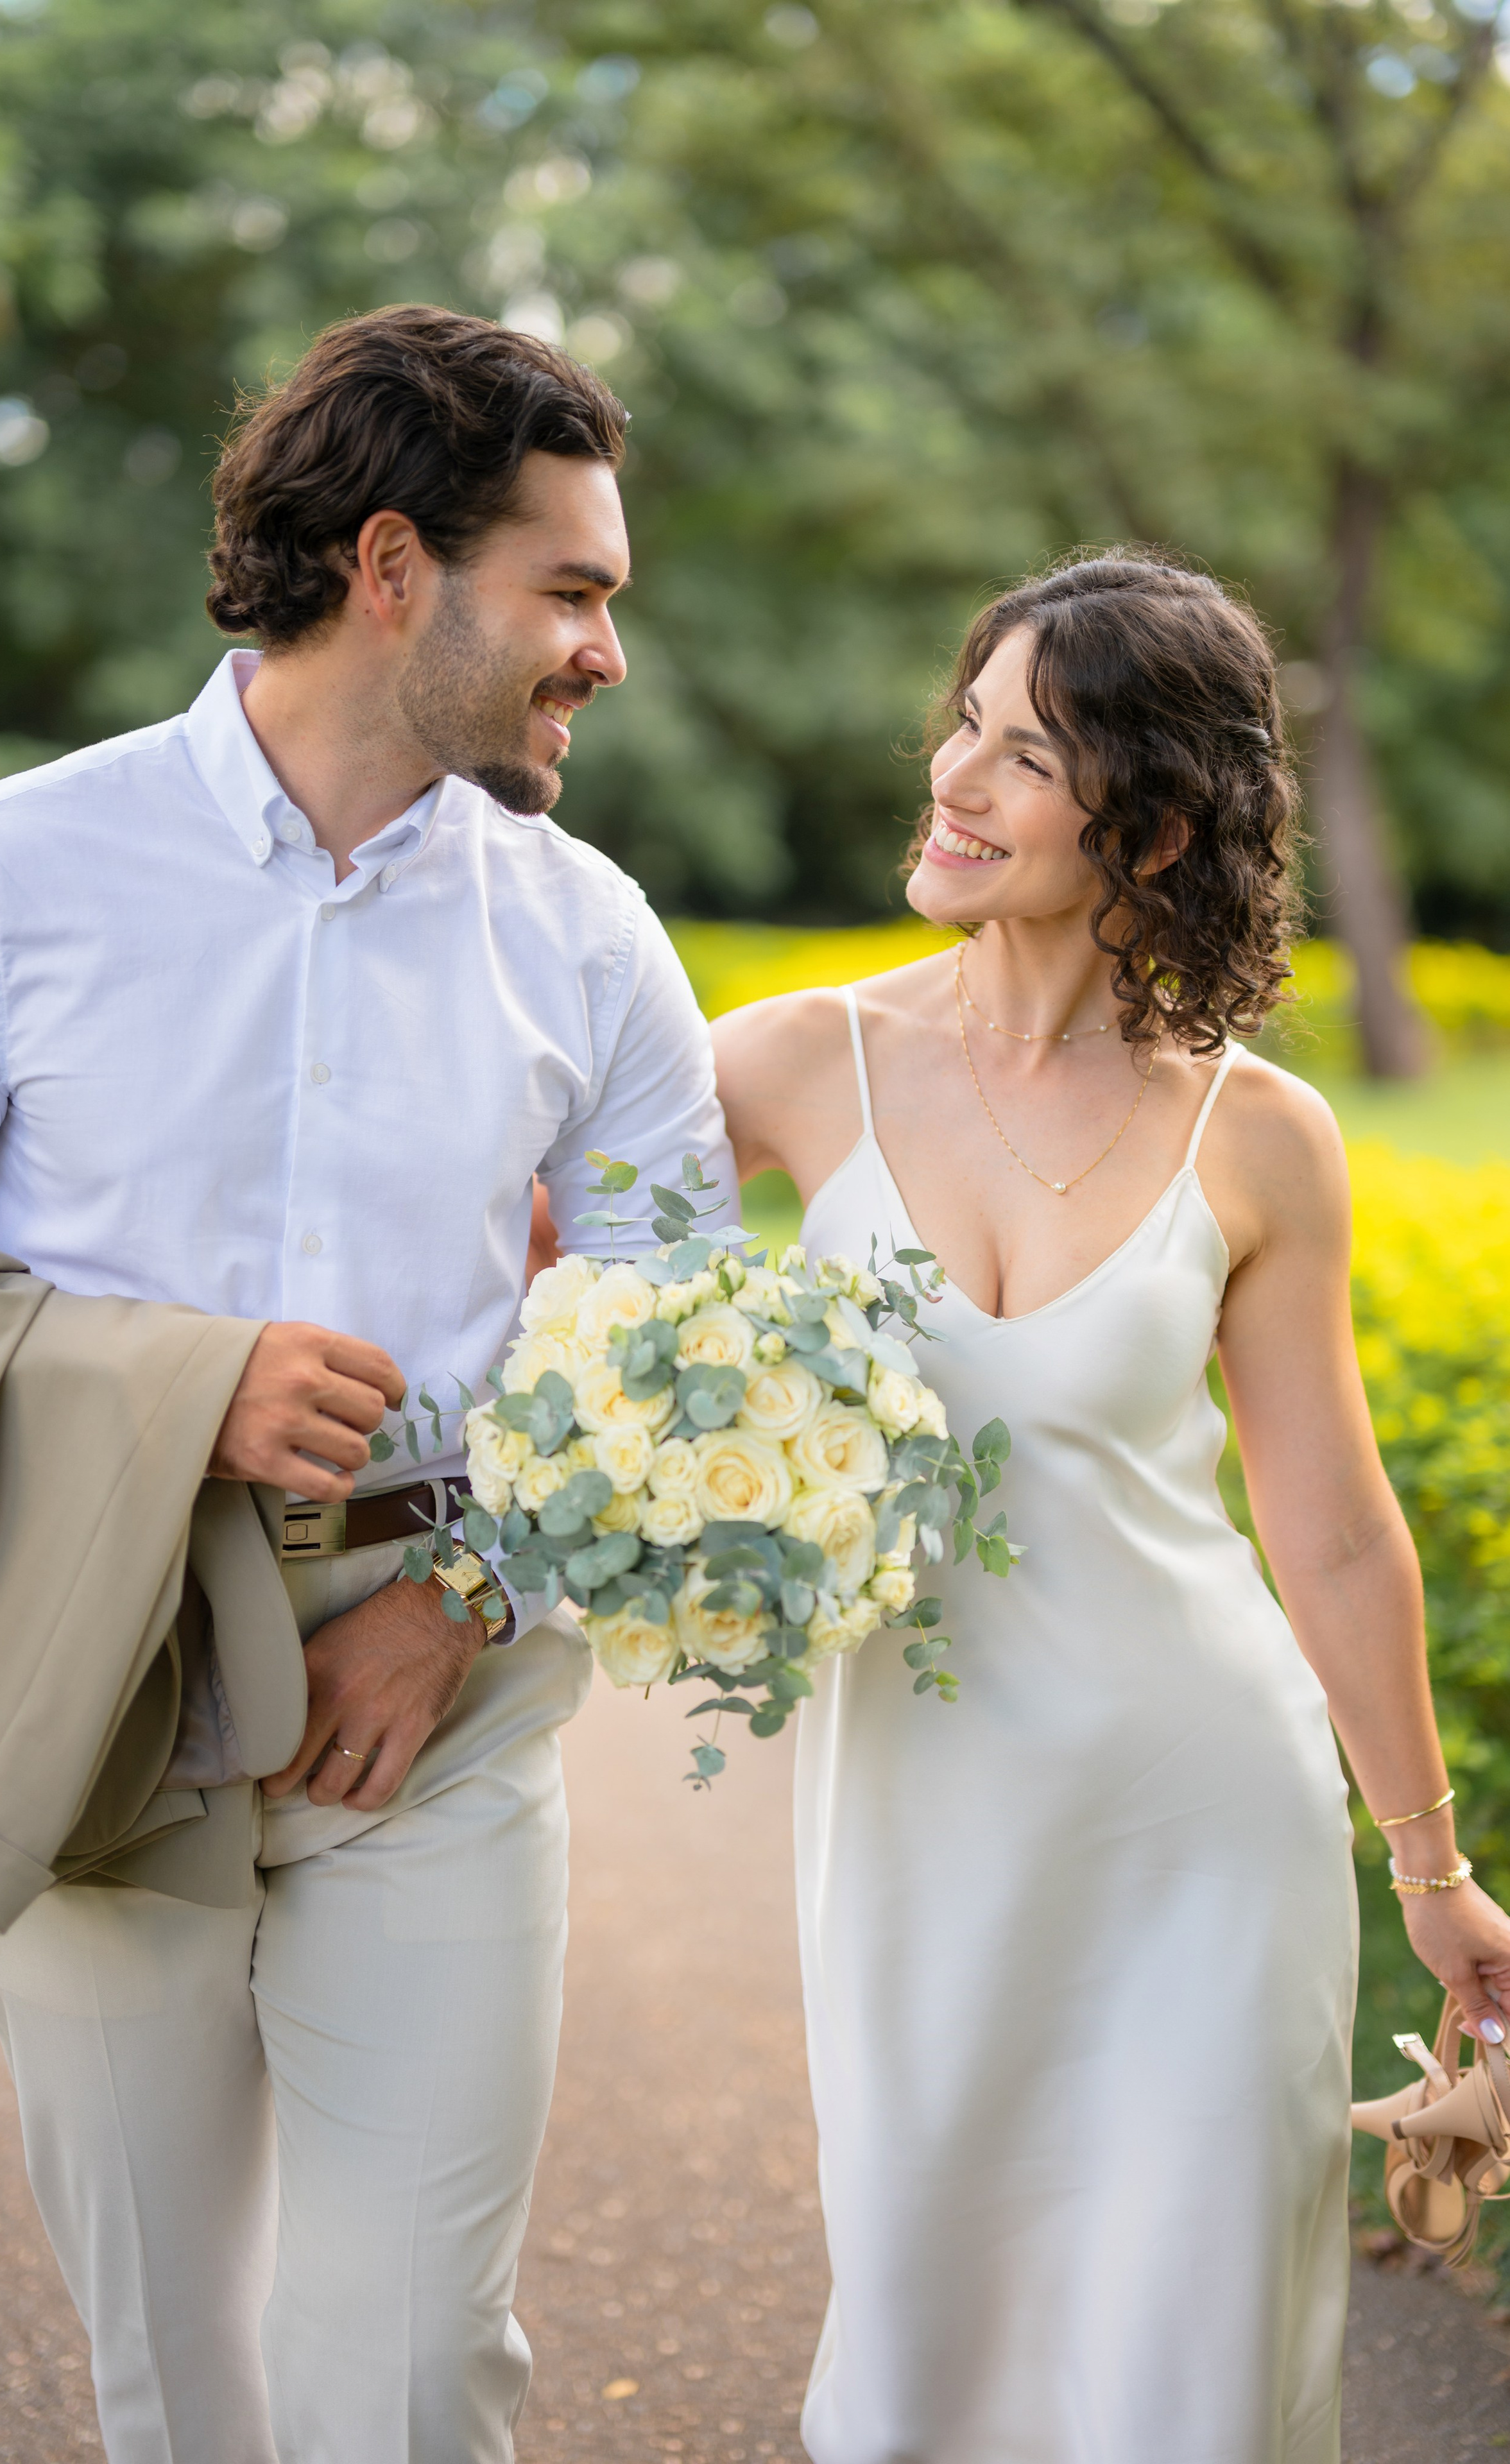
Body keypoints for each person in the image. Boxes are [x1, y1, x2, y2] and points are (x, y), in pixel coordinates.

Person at [0, 304, 734, 2463]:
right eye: (575, 589)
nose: (607, 651)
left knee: (420, 2367)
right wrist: (178, 1386)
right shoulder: (2, 881)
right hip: (99, 1676)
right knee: (177, 2360)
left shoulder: (595, 931)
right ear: (388, 567)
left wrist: (465, 1609)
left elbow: (671, 1326)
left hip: (436, 1696)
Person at [711, 550, 1510, 2464]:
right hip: (917, 1810)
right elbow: (538, 1300)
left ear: (1149, 821)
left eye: (1024, 758)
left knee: (1191, 2358)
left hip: (1202, 1816)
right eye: (960, 730)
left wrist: (1431, 1868)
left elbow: (1325, 1526)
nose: (955, 785)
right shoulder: (790, 1066)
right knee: (931, 2336)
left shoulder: (1260, 1132)